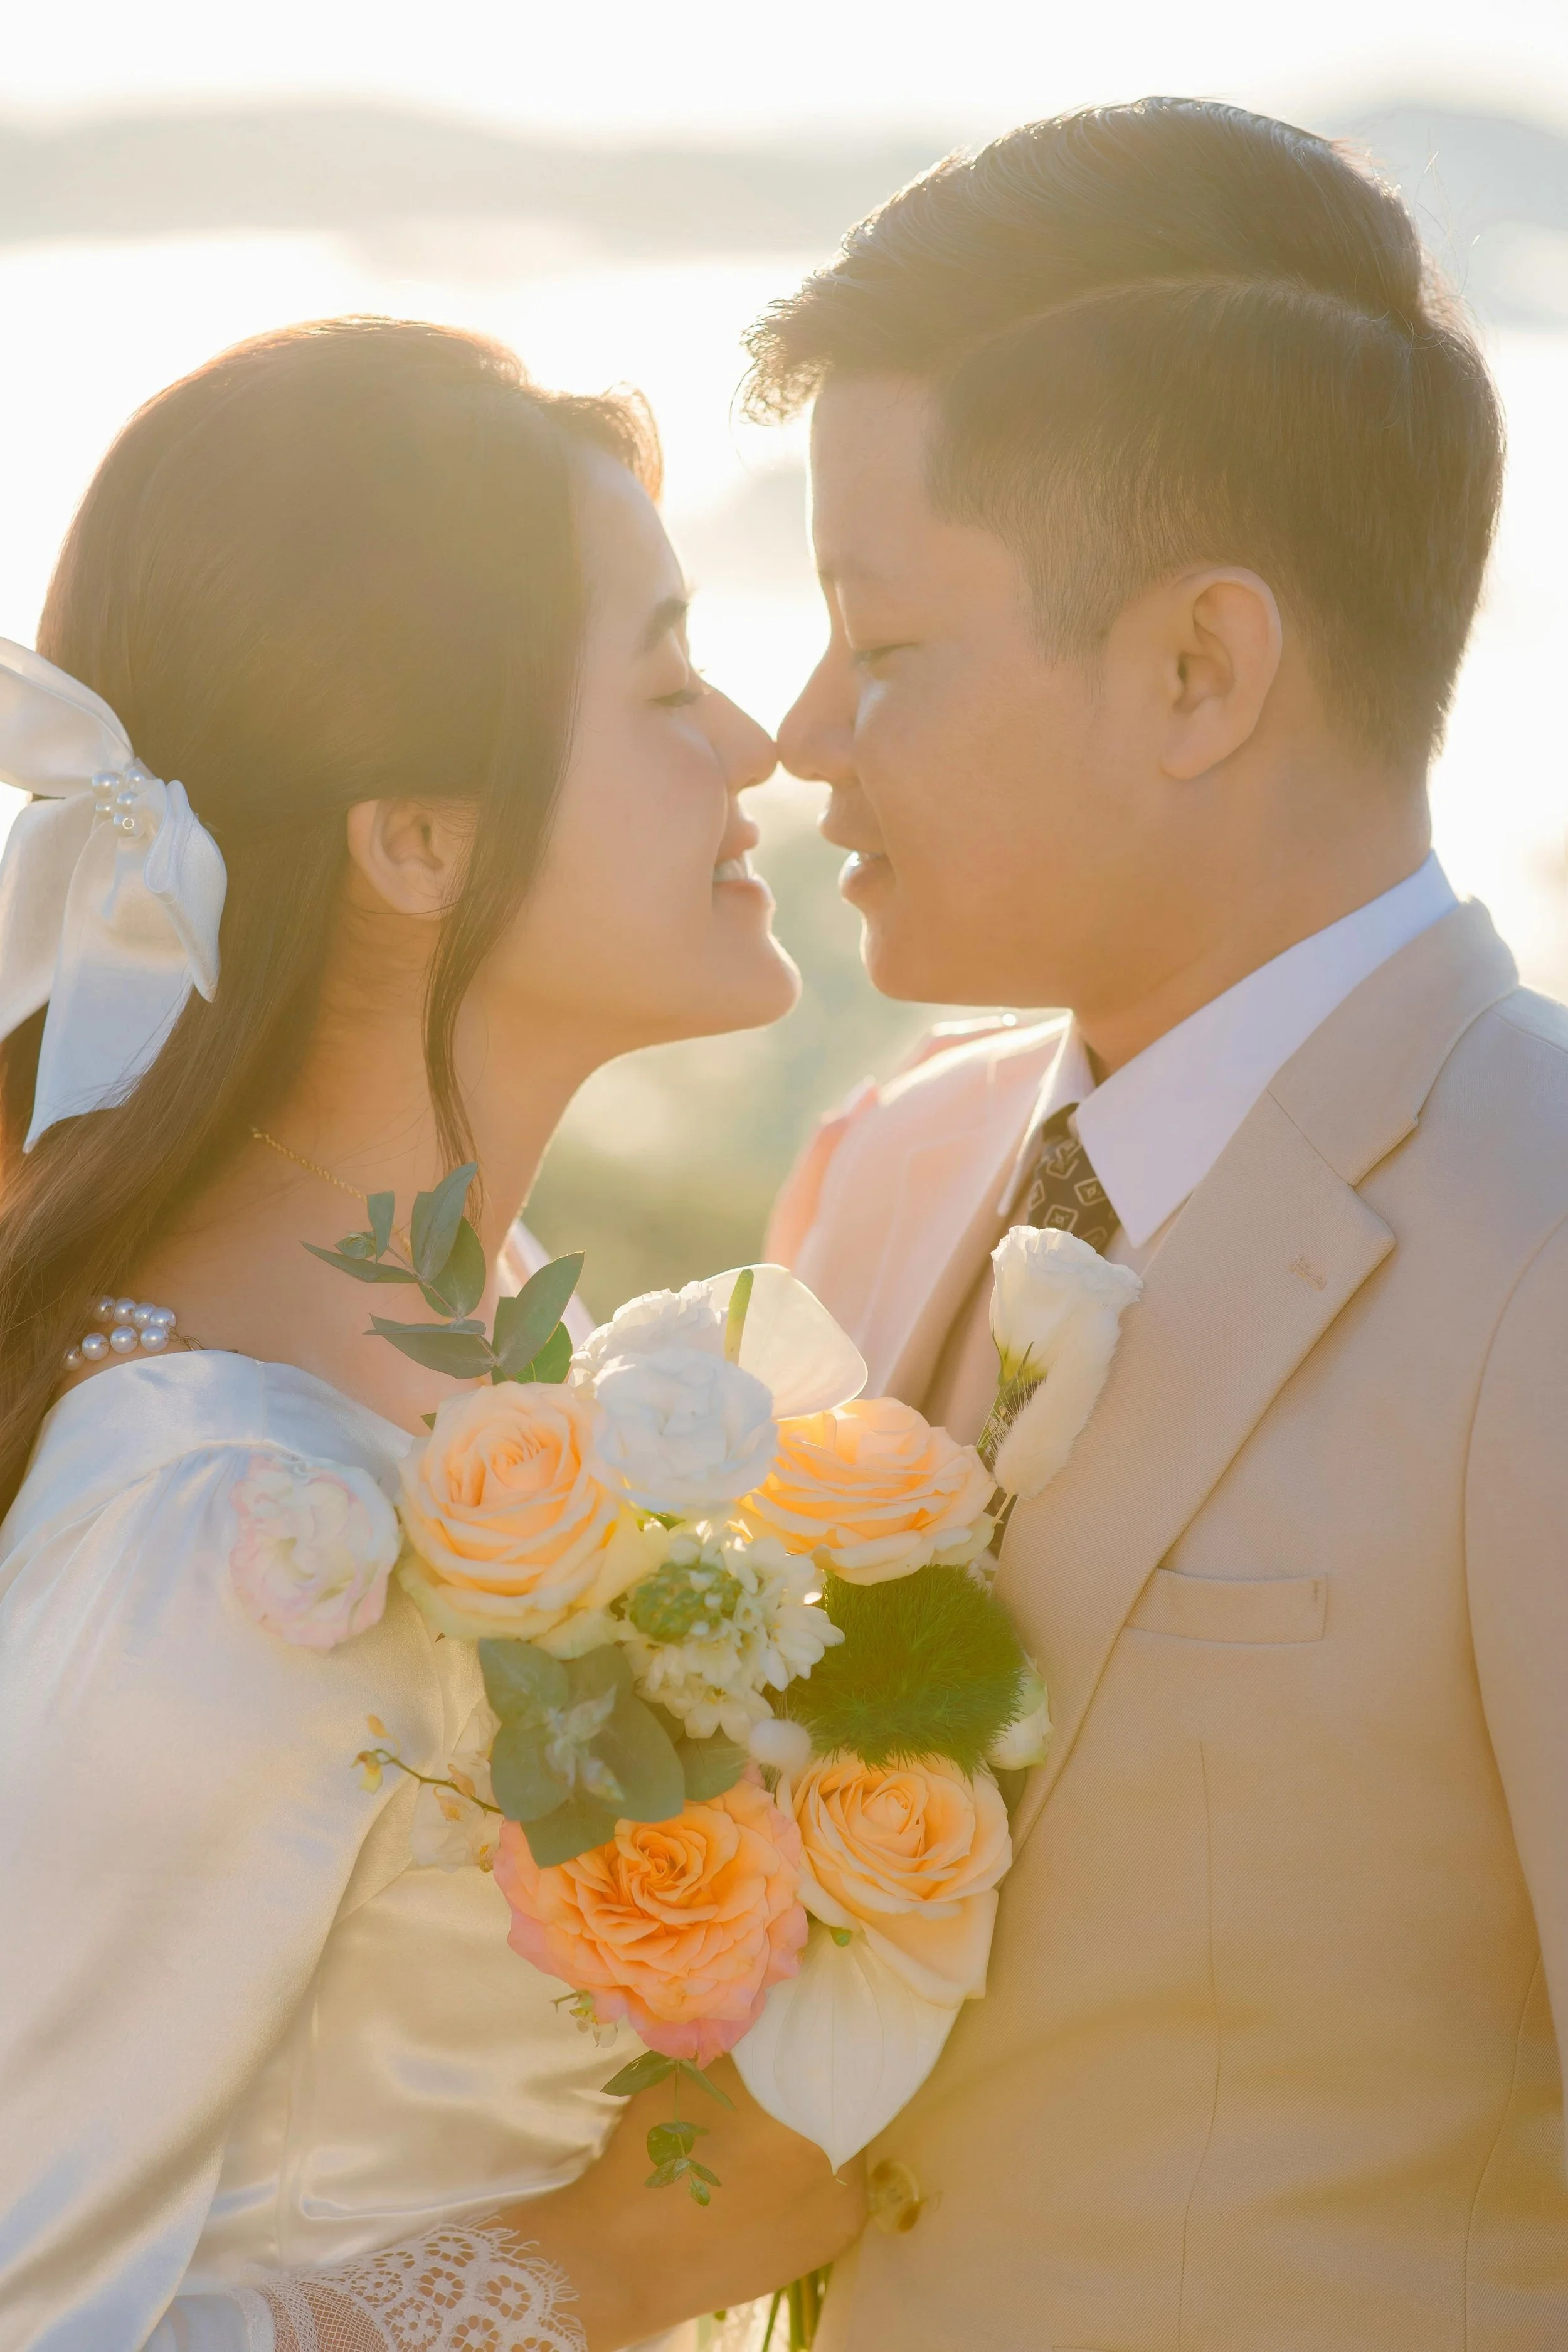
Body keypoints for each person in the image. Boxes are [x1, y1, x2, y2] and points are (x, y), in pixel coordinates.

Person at [756, 99, 1568, 2350]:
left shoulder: (1548, 1246)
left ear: (1199, 669)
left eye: (881, 641)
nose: (803, 731)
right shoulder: (887, 1166)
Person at [0, 320, 861, 2352]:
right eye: (661, 677)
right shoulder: (231, 1528)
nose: (749, 744)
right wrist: (612, 2256)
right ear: (417, 840)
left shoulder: (496, 1370)